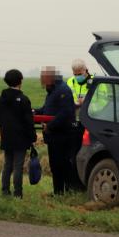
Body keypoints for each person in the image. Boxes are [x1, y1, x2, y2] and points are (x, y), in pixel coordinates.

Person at [35, 66, 75, 195]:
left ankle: (67, 191)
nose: (42, 81)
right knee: (55, 164)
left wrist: (50, 126)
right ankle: (58, 191)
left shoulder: (63, 90)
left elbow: (65, 113)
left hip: (61, 135)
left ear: (50, 77)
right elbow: (46, 109)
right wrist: (34, 112)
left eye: (43, 78)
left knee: (62, 164)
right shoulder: (52, 90)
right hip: (53, 136)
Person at [0, 69, 36, 198]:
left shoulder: (2, 98)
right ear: (20, 81)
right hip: (21, 137)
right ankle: (18, 193)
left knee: (7, 164)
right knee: (18, 166)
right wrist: (32, 137)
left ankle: (4, 191)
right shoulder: (23, 99)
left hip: (6, 135)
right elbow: (29, 121)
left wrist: (3, 128)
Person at [65, 59, 94, 190]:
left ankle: (86, 184)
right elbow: (65, 100)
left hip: (90, 122)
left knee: (87, 153)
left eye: (79, 73)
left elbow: (103, 101)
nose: (77, 76)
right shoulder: (70, 82)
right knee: (73, 153)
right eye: (75, 73)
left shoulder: (95, 82)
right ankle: (73, 184)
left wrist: (87, 103)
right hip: (74, 121)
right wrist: (74, 104)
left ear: (85, 70)